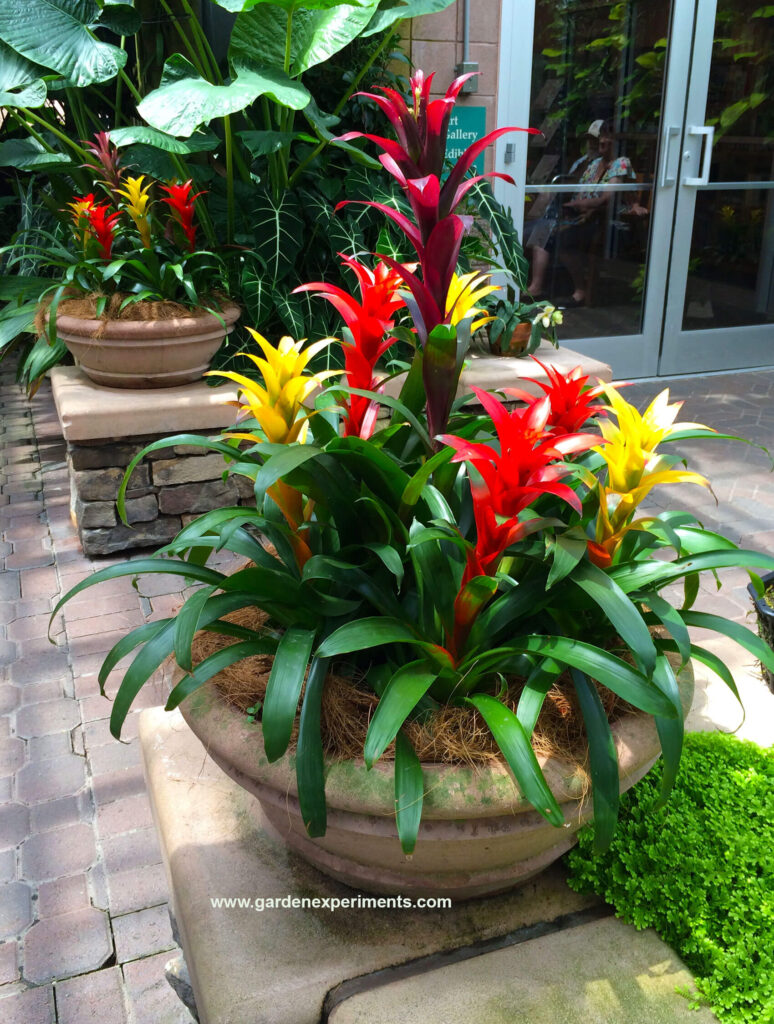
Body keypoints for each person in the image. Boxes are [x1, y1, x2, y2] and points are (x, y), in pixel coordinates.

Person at [528, 120, 636, 307]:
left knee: (562, 240)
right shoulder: (593, 163)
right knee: (543, 231)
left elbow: (606, 199)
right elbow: (577, 185)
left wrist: (577, 204)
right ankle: (535, 287)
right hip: (576, 214)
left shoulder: (620, 163)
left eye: (604, 142)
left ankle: (580, 290)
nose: (599, 145)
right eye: (598, 141)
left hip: (597, 218)